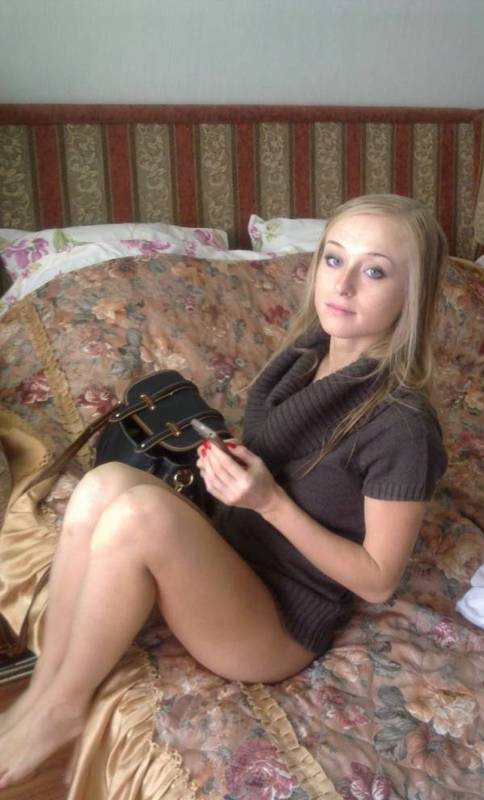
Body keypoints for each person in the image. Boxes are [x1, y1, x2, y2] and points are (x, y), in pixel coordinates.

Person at [0, 193, 448, 788]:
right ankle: (48, 684)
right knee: (102, 484)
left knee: (138, 515)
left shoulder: (402, 424)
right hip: (235, 557)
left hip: (279, 626)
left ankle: (63, 708)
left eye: (375, 272)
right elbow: (297, 463)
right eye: (335, 259)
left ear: (412, 293)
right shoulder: (305, 359)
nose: (342, 285)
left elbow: (378, 580)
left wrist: (269, 502)